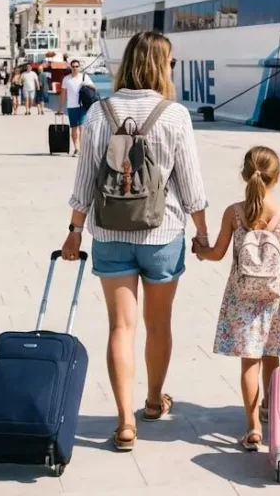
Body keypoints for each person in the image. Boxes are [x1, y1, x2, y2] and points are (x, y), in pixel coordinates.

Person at [61, 30, 209, 452]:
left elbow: (84, 182)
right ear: (162, 65)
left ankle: (125, 423)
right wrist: (202, 232)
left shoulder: (97, 113)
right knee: (158, 323)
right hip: (163, 233)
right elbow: (192, 186)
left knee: (119, 327)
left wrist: (74, 232)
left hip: (109, 232)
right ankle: (152, 402)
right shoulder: (174, 115)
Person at [196, 146, 280, 452]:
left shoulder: (234, 212)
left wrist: (200, 252)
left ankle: (253, 428)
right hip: (274, 297)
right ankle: (272, 408)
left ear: (244, 175)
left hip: (242, 296)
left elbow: (217, 253)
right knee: (273, 354)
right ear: (278, 177)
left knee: (250, 360)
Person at [60, 59, 96, 156]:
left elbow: (94, 88)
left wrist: (86, 84)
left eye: (77, 66)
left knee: (82, 128)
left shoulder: (84, 77)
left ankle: (81, 148)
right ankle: (76, 148)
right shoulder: (66, 79)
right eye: (73, 66)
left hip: (82, 106)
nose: (75, 68)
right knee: (74, 129)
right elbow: (63, 94)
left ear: (79, 67)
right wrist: (60, 108)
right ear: (71, 67)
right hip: (71, 107)